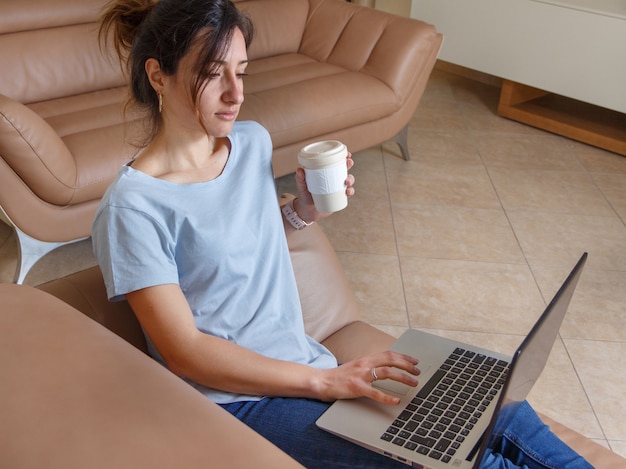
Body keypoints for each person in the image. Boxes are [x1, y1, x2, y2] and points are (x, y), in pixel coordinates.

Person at [92, 1, 592, 468]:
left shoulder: (248, 143)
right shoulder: (132, 207)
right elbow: (185, 350)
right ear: (158, 74)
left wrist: (301, 213)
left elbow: (239, 248)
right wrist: (325, 380)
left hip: (304, 360)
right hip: (238, 400)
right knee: (461, 459)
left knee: (495, 398)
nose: (236, 93)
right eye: (211, 74)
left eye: (240, 72)